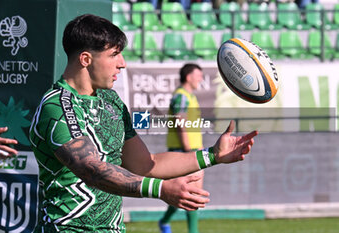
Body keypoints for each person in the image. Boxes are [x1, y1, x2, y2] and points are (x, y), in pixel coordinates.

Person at [29, 14, 257, 232]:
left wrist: (212, 155)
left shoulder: (112, 101)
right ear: (86, 59)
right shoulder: (57, 106)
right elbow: (92, 170)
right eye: (114, 54)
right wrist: (160, 188)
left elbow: (148, 165)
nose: (123, 63)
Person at [159, 63, 204, 233]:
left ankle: (164, 221)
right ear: (188, 77)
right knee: (191, 195)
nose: (200, 78)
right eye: (198, 75)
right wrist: (188, 149)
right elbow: (180, 122)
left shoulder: (190, 96)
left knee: (190, 195)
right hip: (183, 151)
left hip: (192, 150)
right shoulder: (181, 96)